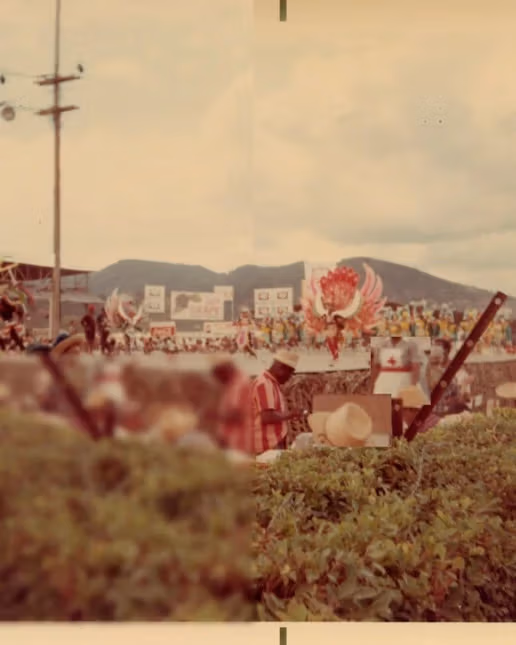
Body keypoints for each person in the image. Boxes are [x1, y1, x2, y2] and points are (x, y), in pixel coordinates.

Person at [251, 350, 307, 455]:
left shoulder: (271, 383)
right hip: (267, 445)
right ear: (281, 368)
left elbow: (272, 411)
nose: (289, 378)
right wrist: (291, 414)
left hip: (273, 441)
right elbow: (267, 417)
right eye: (290, 373)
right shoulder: (264, 384)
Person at [370, 329, 421, 397]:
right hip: (383, 381)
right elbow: (376, 367)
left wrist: (413, 386)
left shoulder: (411, 345)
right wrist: (372, 385)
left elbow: (415, 367)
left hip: (403, 380)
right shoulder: (380, 345)